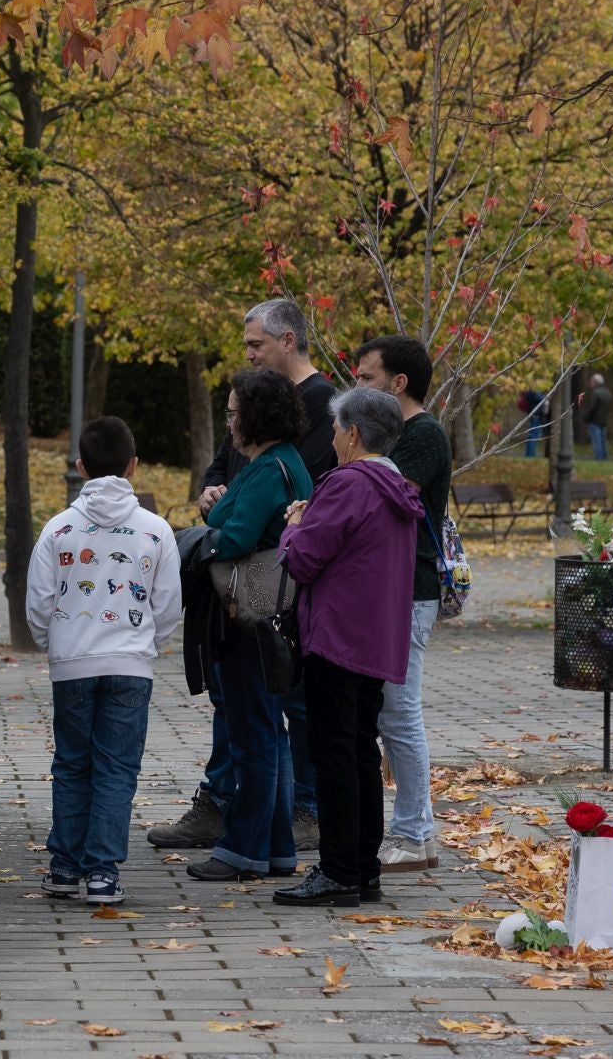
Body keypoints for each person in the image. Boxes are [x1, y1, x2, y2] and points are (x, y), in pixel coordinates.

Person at [150, 298, 334, 855]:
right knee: (251, 720)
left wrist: (215, 521)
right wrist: (216, 497)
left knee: (266, 721)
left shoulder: (306, 424)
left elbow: (243, 528)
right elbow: (224, 479)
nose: (249, 352)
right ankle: (258, 831)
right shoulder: (256, 451)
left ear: (287, 339)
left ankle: (261, 835)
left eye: (256, 344)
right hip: (252, 598)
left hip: (260, 600)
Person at [277, 388, 425, 906]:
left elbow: (302, 561)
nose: (335, 438)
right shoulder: (395, 485)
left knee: (334, 753)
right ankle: (363, 869)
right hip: (376, 637)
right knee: (360, 749)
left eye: (338, 429)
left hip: (337, 635)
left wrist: (294, 526)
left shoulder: (348, 484)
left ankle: (339, 870)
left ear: (354, 433)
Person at [25, 417, 181, 904]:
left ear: (80, 466)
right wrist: (148, 641)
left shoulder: (59, 529)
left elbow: (39, 602)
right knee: (117, 768)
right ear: (133, 466)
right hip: (129, 665)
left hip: (72, 662)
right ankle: (103, 874)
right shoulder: (155, 531)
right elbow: (169, 604)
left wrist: (53, 643)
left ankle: (64, 868)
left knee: (73, 763)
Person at [185, 368, 314, 883]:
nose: (230, 420)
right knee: (270, 733)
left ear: (256, 416)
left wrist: (203, 529)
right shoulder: (281, 464)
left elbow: (235, 540)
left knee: (253, 734)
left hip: (249, 620)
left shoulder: (268, 469)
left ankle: (242, 850)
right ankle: (277, 848)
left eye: (235, 411)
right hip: (269, 617)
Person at [354, 335, 451, 873]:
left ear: (398, 383)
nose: (359, 386)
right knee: (388, 712)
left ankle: (416, 833)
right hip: (384, 591)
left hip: (409, 592)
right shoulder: (394, 436)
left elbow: (382, 501)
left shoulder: (424, 436)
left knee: (400, 711)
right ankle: (408, 828)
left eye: (368, 378)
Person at [580, 373, 613, 460]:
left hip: (595, 421)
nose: (590, 383)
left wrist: (586, 418)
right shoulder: (608, 392)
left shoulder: (595, 393)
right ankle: (604, 456)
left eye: (591, 381)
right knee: (603, 440)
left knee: (597, 441)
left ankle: (599, 457)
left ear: (595, 382)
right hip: (604, 420)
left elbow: (591, 408)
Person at [518, 388, 548, 458]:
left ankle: (529, 454)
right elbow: (541, 399)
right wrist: (546, 396)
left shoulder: (530, 392)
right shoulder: (537, 392)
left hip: (533, 414)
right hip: (536, 415)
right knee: (534, 435)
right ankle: (531, 454)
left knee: (531, 435)